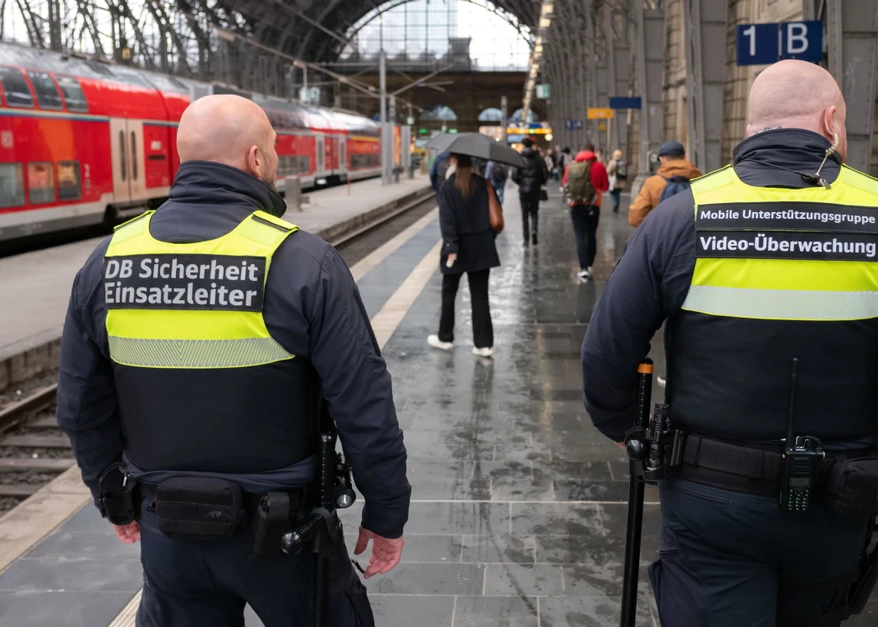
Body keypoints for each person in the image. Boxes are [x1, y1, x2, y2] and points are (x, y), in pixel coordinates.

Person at [582, 60, 878, 627]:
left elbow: (606, 350)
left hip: (709, 499)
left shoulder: (682, 219)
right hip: (835, 506)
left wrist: (632, 434)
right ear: (831, 120)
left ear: (752, 128)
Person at [57, 94, 411, 627]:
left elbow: (81, 403)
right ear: (254, 159)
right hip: (286, 532)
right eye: (271, 149)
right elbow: (364, 403)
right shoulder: (301, 260)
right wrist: (386, 513)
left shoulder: (108, 261)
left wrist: (113, 495)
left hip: (168, 528)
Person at [428, 154, 501, 358]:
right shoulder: (483, 184)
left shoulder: (448, 187)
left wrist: (452, 246)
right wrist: (487, 237)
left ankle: (445, 337)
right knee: (480, 296)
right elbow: (496, 211)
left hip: (457, 250)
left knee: (449, 293)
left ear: (454, 162)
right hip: (481, 248)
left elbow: (447, 219)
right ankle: (484, 345)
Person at [562, 143, 610, 280]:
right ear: (593, 151)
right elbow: (605, 186)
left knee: (579, 235)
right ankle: (589, 265)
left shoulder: (570, 166)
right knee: (591, 234)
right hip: (593, 205)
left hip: (576, 204)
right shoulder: (599, 166)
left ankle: (582, 267)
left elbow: (565, 183)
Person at [628, 140, 702, 227]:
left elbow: (635, 218)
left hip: (663, 236)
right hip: (692, 237)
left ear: (661, 159)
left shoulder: (652, 183)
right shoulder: (700, 180)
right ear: (685, 157)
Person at [511, 137, 548, 246]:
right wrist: (538, 182)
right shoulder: (539, 158)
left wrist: (521, 183)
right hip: (535, 189)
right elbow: (545, 174)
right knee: (534, 212)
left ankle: (526, 239)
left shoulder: (520, 158)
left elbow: (514, 176)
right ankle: (534, 231)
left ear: (523, 145)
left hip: (523, 190)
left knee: (524, 215)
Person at [606, 149, 627, 214]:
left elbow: (608, 171)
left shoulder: (612, 162)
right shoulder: (622, 162)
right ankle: (617, 205)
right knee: (617, 194)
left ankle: (614, 204)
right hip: (621, 181)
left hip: (614, 181)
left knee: (612, 193)